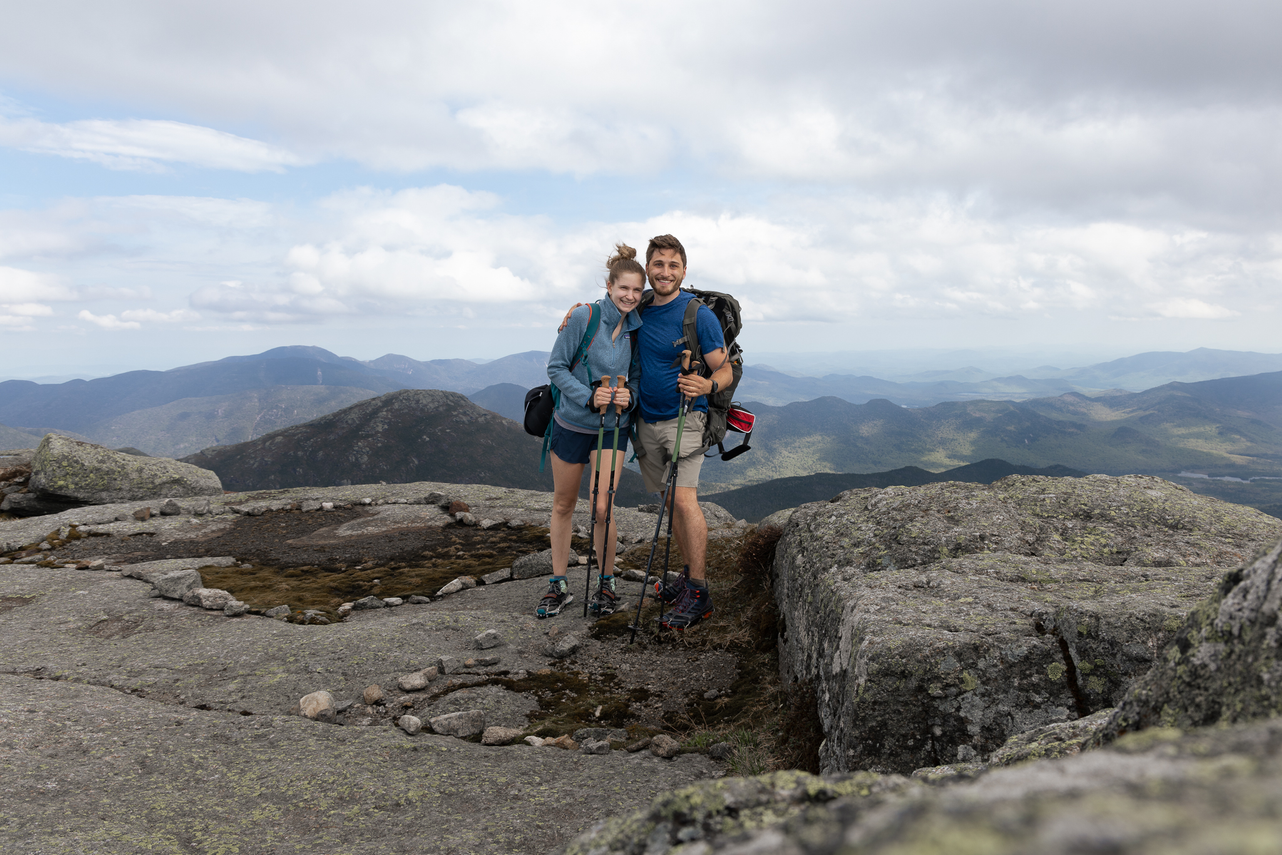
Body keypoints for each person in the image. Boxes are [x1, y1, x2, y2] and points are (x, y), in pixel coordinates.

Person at [538, 244, 645, 618]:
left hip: (613, 427)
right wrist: (588, 397)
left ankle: (607, 583)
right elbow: (555, 368)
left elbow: (634, 378)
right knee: (564, 504)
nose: (630, 296)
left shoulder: (636, 328)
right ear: (610, 285)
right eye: (624, 289)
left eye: (636, 290)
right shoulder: (584, 317)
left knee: (603, 506)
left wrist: (628, 397)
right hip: (571, 423)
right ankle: (558, 583)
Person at [633, 234, 734, 629]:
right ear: (648, 269)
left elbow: (724, 368)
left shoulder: (698, 315)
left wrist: (708, 385)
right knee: (669, 499)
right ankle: (687, 575)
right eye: (659, 264)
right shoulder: (639, 308)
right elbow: (606, 311)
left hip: (685, 420)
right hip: (646, 420)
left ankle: (699, 591)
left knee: (685, 499)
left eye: (673, 265)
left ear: (684, 271)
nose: (665, 272)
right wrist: (576, 312)